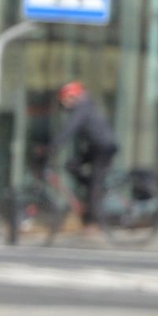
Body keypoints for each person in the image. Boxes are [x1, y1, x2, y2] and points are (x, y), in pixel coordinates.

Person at [56, 81, 119, 229]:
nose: (65, 104)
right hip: (95, 147)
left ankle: (92, 221)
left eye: (66, 100)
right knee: (71, 166)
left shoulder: (82, 108)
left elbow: (69, 129)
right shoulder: (84, 106)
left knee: (95, 183)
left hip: (103, 148)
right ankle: (91, 188)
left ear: (73, 97)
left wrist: (52, 145)